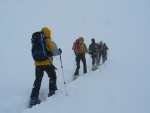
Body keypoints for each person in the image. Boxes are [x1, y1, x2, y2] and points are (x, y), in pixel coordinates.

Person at [30, 27, 62, 107]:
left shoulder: (35, 41)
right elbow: (55, 51)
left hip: (37, 64)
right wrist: (59, 51)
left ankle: (34, 98)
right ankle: (52, 92)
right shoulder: (48, 40)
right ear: (48, 32)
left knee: (38, 80)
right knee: (52, 76)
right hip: (47, 63)